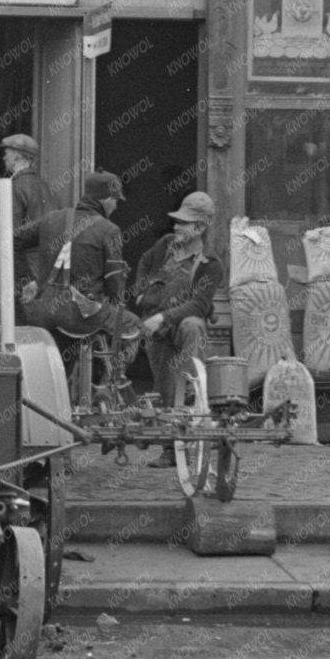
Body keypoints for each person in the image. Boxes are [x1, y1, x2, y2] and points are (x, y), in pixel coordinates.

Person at [129, 191, 224, 463]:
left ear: (201, 227)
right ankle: (171, 451)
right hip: (155, 325)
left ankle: (195, 389)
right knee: (166, 390)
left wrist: (165, 317)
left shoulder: (210, 263)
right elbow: (145, 262)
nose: (176, 226)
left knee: (194, 325)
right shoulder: (166, 244)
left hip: (179, 324)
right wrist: (140, 291)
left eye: (184, 222)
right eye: (177, 221)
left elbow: (199, 305)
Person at [15, 169, 135, 355]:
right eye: (116, 201)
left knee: (64, 356)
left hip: (42, 312)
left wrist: (27, 279)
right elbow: (114, 283)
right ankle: (105, 380)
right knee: (134, 325)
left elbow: (12, 240)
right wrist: (116, 300)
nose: (116, 207)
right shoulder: (109, 230)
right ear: (106, 199)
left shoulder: (51, 219)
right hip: (80, 318)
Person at [0, 132, 50, 310]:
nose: (4, 157)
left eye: (7, 152)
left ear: (18, 155)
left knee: (13, 328)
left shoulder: (13, 187)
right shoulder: (43, 186)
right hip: (43, 271)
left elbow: (6, 237)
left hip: (20, 272)